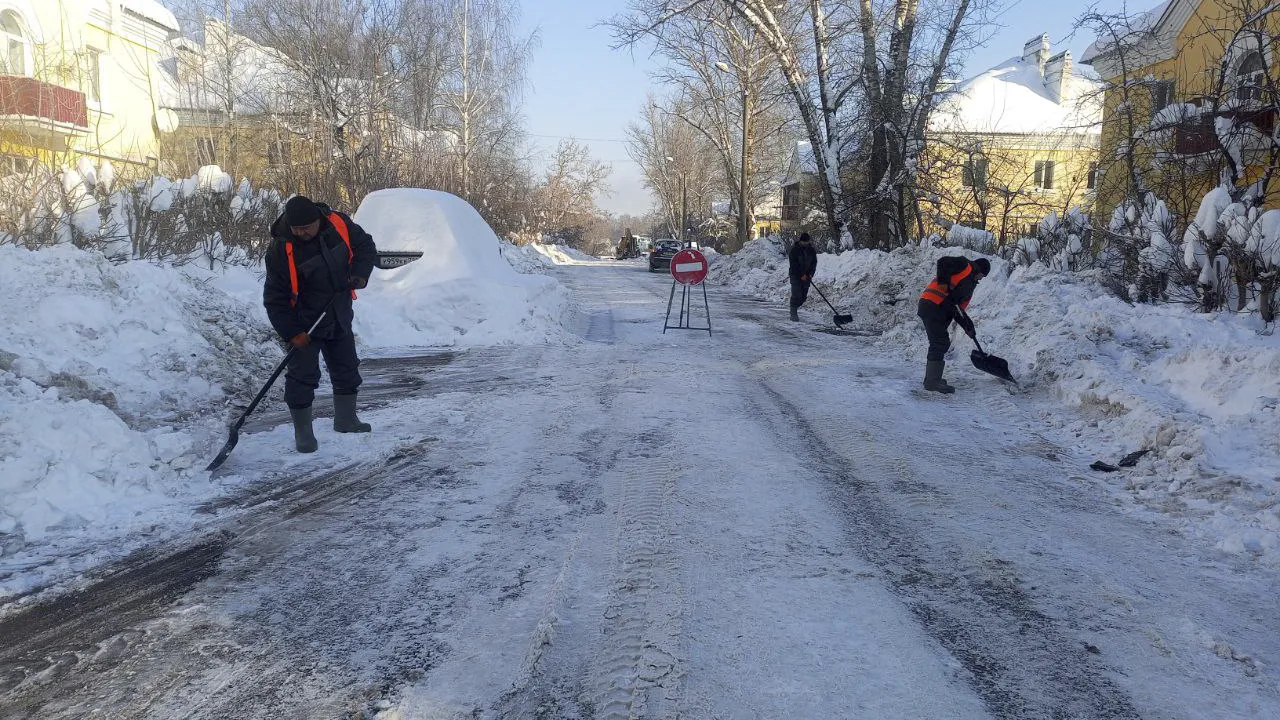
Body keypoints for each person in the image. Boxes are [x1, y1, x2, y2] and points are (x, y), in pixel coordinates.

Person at [263, 195, 377, 452]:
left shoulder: (338, 223)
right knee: (302, 377)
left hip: (338, 311)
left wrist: (359, 273)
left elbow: (365, 246)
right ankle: (303, 433)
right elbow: (274, 298)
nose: (301, 232)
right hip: (304, 322)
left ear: (318, 220)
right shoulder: (281, 249)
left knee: (347, 367)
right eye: (297, 228)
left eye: (306, 227)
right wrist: (292, 332)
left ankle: (346, 419)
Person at [917, 256, 990, 394]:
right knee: (939, 343)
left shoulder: (969, 286)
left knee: (940, 343)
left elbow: (958, 311)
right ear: (980, 270)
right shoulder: (964, 265)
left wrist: (968, 327)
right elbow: (943, 262)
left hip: (937, 308)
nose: (981, 279)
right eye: (983, 276)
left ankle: (932, 379)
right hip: (932, 304)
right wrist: (944, 284)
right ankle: (932, 382)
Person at [787, 232, 818, 321]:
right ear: (800, 241)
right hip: (795, 276)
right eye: (804, 241)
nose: (805, 243)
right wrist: (801, 275)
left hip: (807, 276)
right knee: (796, 295)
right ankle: (793, 313)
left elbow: (814, 263)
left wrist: (810, 273)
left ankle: (794, 307)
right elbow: (793, 264)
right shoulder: (794, 250)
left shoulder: (811, 250)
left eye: (807, 241)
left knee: (803, 297)